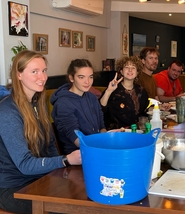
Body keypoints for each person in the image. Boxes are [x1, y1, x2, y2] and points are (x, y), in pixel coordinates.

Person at [0, 50, 81, 213]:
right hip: (12, 188)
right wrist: (65, 160)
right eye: (34, 71)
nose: (42, 77)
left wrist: (61, 175)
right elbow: (25, 165)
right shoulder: (7, 112)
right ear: (19, 75)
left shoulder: (39, 103)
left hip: (39, 179)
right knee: (66, 209)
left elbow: (50, 146)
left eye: (44, 71)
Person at [51, 59, 107, 154]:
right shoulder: (63, 104)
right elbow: (77, 140)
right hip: (77, 155)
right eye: (81, 77)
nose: (87, 82)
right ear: (71, 78)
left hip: (97, 148)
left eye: (90, 77)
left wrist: (109, 138)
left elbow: (101, 127)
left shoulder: (92, 97)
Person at [99, 56, 149, 130]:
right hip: (116, 132)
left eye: (133, 68)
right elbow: (100, 109)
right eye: (126, 67)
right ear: (121, 71)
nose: (130, 70)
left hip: (135, 131)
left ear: (137, 72)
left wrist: (159, 107)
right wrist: (109, 91)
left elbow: (146, 111)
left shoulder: (141, 90)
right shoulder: (113, 88)